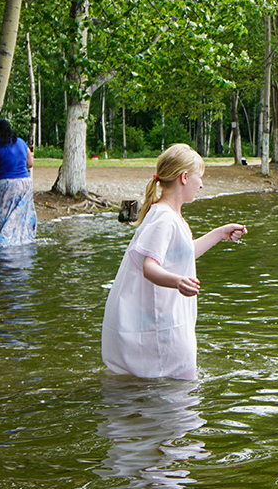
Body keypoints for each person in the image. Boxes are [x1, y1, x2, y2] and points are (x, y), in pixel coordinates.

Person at [102, 144, 247, 380]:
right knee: (180, 390)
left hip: (168, 320)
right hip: (163, 324)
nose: (201, 185)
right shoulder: (164, 218)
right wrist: (178, 281)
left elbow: (183, 254)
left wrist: (220, 234)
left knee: (173, 389)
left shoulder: (170, 215)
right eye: (200, 177)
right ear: (185, 177)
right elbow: (150, 267)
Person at [0, 118, 37, 247]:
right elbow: (30, 164)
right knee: (21, 215)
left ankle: (2, 243)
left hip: (8, 184)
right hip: (25, 183)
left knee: (4, 215)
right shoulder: (21, 142)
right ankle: (22, 240)